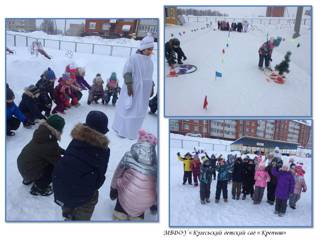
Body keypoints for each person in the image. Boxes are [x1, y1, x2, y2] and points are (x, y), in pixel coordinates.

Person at [52, 111, 110, 221]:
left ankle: (67, 213)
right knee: (92, 196)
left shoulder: (75, 140)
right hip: (81, 193)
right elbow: (100, 178)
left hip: (60, 187)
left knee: (70, 191)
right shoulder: (104, 151)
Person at [112, 34, 155, 140]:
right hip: (133, 88)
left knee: (139, 110)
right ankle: (122, 130)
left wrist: (151, 86)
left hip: (143, 91)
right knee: (129, 107)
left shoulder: (149, 61)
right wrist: (129, 85)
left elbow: (149, 76)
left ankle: (132, 131)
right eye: (148, 49)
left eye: (151, 49)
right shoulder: (134, 58)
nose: (150, 51)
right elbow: (127, 72)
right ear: (143, 48)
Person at [110, 129, 157, 220]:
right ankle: (138, 216)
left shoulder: (129, 155)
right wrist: (155, 204)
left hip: (126, 193)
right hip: (145, 201)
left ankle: (120, 212)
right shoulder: (157, 164)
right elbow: (158, 186)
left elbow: (117, 173)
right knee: (145, 194)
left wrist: (113, 188)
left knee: (123, 183)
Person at [17, 115, 65, 196]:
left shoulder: (43, 134)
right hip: (29, 170)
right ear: (58, 129)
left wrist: (64, 152)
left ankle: (27, 179)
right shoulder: (48, 143)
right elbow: (58, 162)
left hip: (23, 166)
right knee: (54, 168)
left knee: (40, 159)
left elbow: (53, 147)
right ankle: (38, 188)